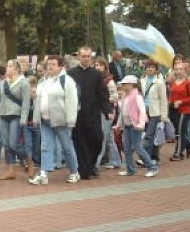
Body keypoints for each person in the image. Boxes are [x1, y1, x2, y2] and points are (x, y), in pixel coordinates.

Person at [29, 56, 80, 186]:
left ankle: (74, 171)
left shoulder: (66, 81)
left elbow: (72, 101)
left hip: (61, 120)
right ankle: (44, 173)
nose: (50, 66)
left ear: (60, 67)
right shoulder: (43, 81)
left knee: (66, 146)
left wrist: (71, 120)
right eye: (48, 64)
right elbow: (37, 101)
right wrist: (36, 117)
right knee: (45, 146)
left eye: (53, 64)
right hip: (45, 120)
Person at [68, 47, 112, 179]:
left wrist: (107, 110)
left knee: (98, 139)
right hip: (77, 115)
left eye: (88, 56)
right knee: (80, 143)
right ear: (78, 57)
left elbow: (103, 94)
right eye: (83, 56)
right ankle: (84, 169)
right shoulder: (71, 74)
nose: (86, 59)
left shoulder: (97, 74)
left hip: (93, 114)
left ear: (91, 58)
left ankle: (91, 164)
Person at [0, 59, 31, 180]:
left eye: (10, 66)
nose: (7, 68)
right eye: (7, 66)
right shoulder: (3, 83)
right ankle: (11, 170)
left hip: (16, 116)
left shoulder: (24, 83)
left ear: (17, 69)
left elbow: (26, 102)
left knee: (14, 144)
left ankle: (29, 160)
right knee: (6, 144)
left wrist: (23, 118)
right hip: (4, 116)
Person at [114, 75, 159, 177]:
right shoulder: (125, 96)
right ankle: (130, 169)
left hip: (136, 126)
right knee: (127, 148)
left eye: (125, 84)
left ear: (132, 85)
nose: (123, 86)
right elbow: (122, 112)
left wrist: (141, 124)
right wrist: (118, 124)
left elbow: (142, 111)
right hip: (127, 125)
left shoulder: (137, 96)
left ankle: (152, 167)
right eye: (123, 84)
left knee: (137, 147)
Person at [140, 60, 168, 165]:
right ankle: (153, 157)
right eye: (148, 67)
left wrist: (164, 116)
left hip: (155, 112)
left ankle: (145, 158)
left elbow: (163, 100)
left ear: (156, 70)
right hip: (143, 112)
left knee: (149, 135)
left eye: (152, 67)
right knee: (146, 135)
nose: (150, 69)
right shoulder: (141, 81)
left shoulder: (159, 82)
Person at [168, 63, 190, 161]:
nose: (178, 71)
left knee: (180, 132)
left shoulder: (188, 82)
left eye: (181, 69)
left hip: (185, 110)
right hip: (174, 110)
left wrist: (181, 101)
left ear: (185, 70)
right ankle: (189, 145)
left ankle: (178, 153)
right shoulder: (173, 81)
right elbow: (171, 94)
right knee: (179, 131)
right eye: (176, 69)